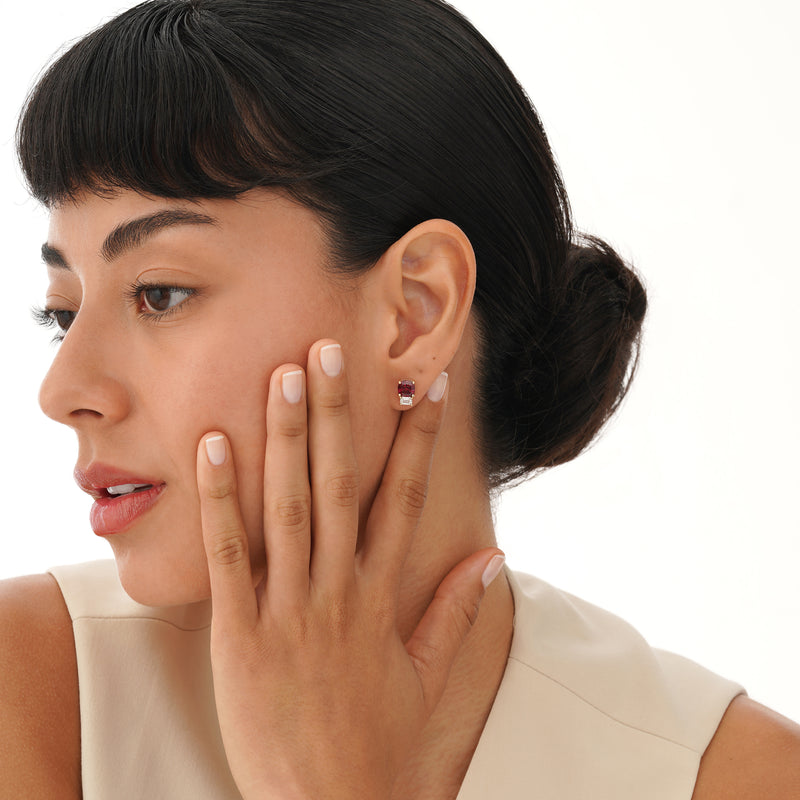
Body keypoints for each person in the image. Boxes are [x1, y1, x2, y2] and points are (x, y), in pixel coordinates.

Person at [1, 0, 798, 797]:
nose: (64, 390)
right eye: (63, 314)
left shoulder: (728, 777)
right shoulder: (28, 693)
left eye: (160, 294)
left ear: (416, 310)